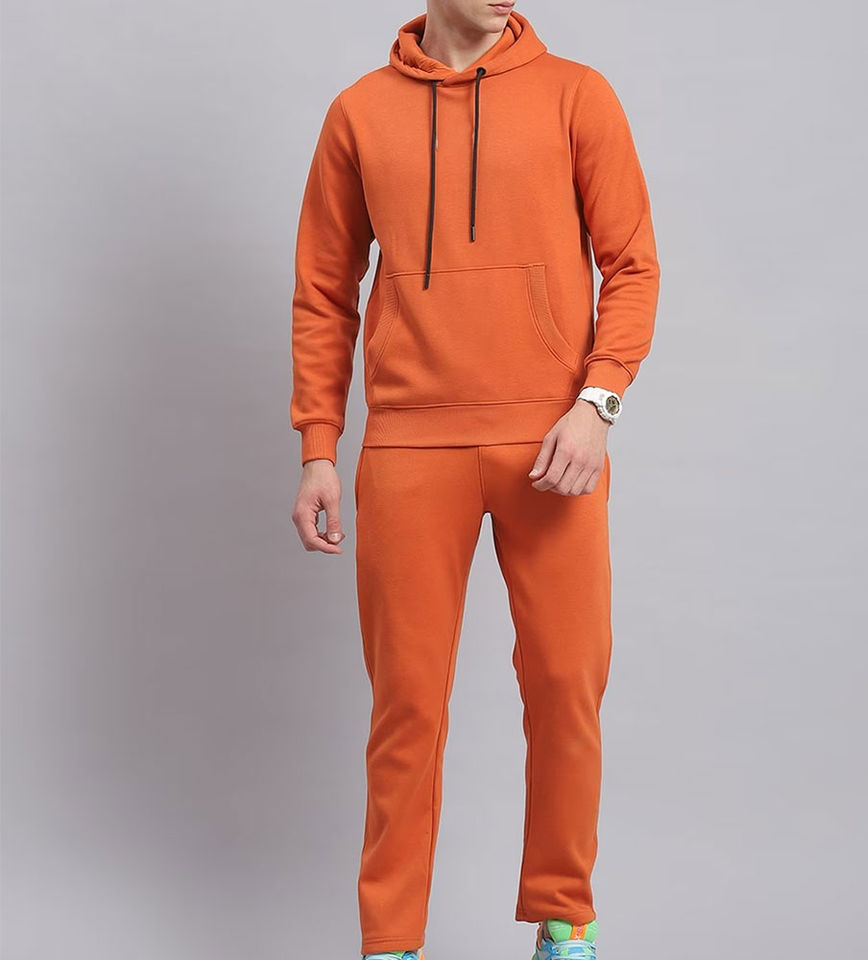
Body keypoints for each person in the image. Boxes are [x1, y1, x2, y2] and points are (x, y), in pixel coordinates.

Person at [289, 2, 659, 957]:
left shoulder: (578, 95)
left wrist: (599, 403)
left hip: (553, 443)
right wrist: (319, 443)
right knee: (407, 706)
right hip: (410, 446)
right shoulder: (359, 113)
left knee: (567, 684)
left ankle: (564, 919)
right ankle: (392, 942)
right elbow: (324, 290)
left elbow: (632, 265)